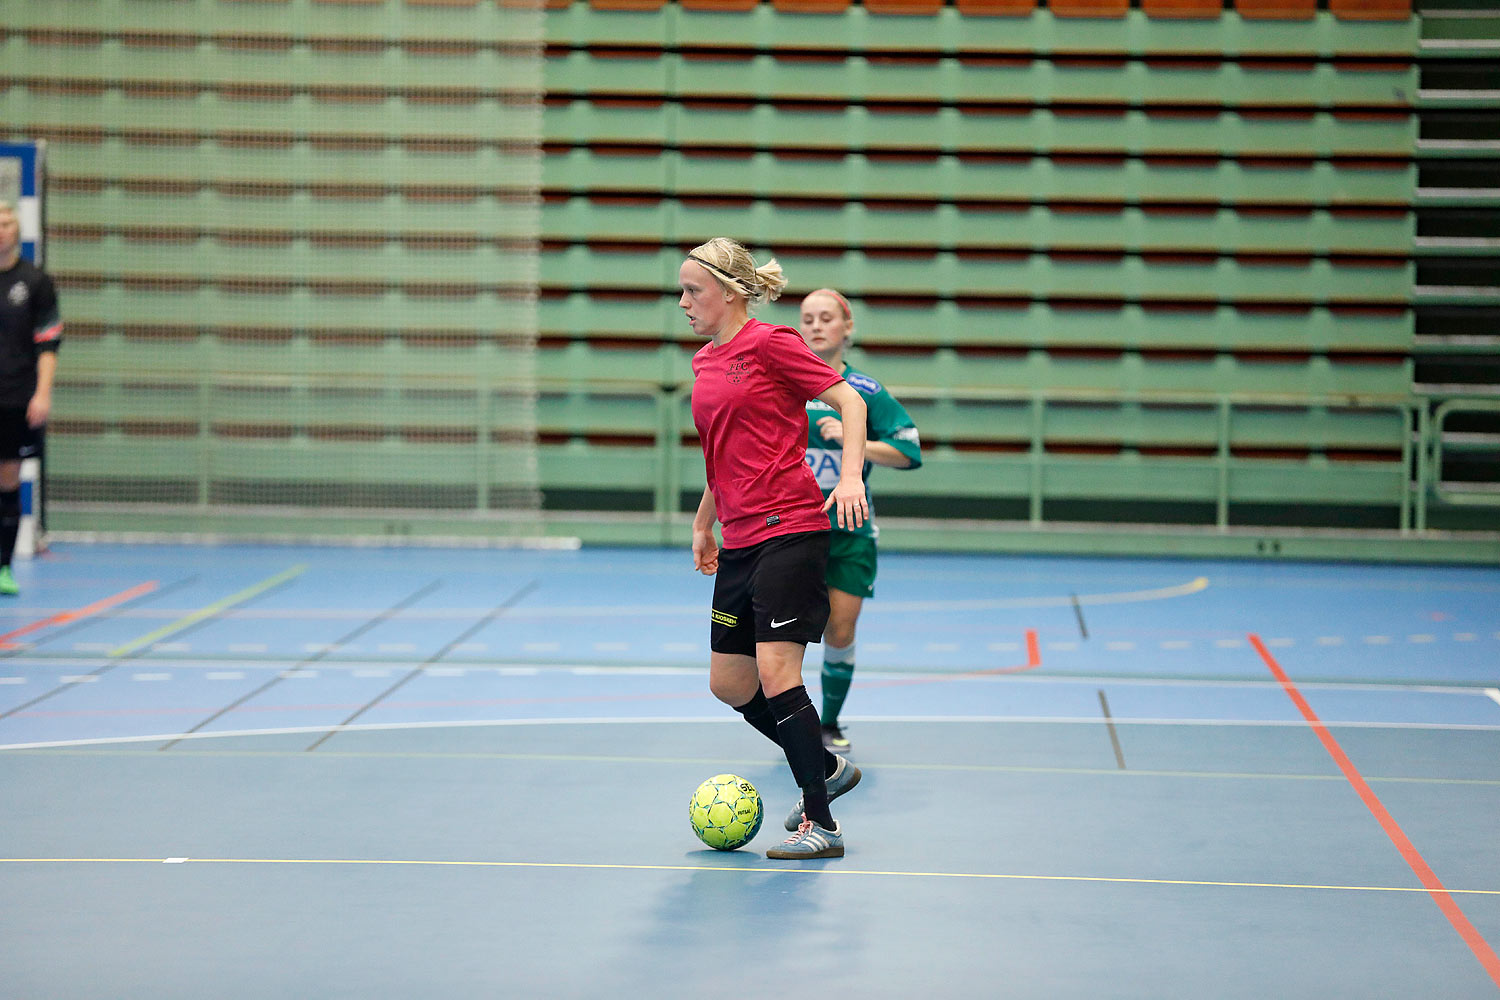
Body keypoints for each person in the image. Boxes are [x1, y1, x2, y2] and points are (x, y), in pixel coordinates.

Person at [683, 238, 868, 860]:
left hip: (789, 527)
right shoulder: (704, 363)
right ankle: (826, 764)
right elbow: (719, 451)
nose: (682, 302)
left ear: (730, 293)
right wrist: (704, 521)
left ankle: (823, 824)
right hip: (738, 536)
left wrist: (846, 476)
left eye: (693, 291)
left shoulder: (772, 344)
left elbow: (849, 399)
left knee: (775, 671)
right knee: (730, 683)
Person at [798, 288, 922, 756]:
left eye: (826, 317)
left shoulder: (865, 393)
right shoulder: (783, 383)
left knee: (840, 630)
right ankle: (792, 722)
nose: (815, 325)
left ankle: (828, 723)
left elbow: (910, 451)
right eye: (807, 317)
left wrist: (858, 441)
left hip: (849, 533)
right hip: (789, 530)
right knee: (781, 636)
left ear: (846, 327)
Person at [0, 200, 60, 596]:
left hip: (15, 396)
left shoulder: (35, 282)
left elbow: (49, 343)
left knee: (7, 479)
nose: (1, 228)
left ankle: (3, 568)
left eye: (6, 222)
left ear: (16, 229)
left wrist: (42, 393)